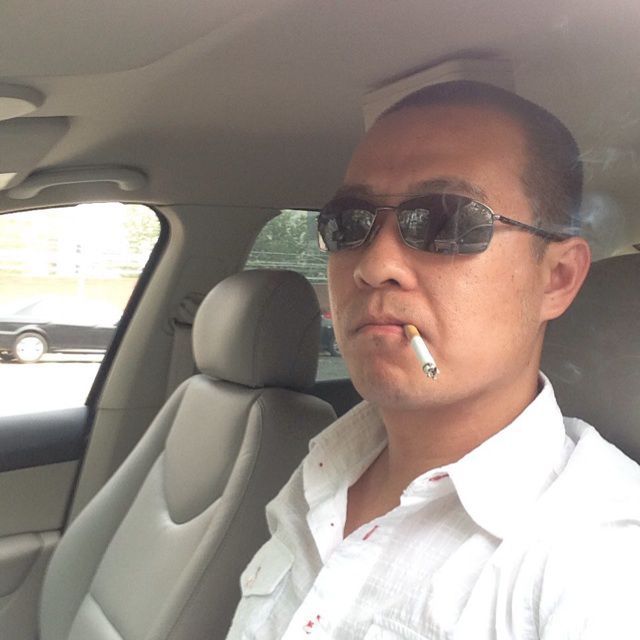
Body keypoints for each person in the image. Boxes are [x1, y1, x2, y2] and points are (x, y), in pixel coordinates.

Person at [226, 81, 640, 639]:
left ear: (556, 278)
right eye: (350, 222)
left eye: (448, 221)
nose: (374, 266)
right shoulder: (322, 472)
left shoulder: (602, 563)